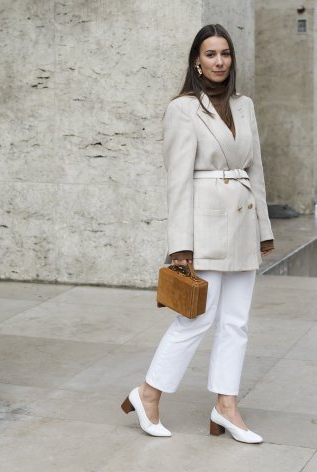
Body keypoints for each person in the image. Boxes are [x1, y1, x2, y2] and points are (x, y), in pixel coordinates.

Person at [121, 24, 274, 443]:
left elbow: (255, 168)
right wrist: (180, 246)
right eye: (211, 54)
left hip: (243, 225)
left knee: (236, 323)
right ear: (196, 61)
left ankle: (226, 407)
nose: (220, 61)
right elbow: (178, 181)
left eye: (225, 53)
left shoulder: (245, 105)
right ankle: (148, 393)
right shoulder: (183, 109)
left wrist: (263, 228)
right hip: (205, 230)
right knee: (195, 320)